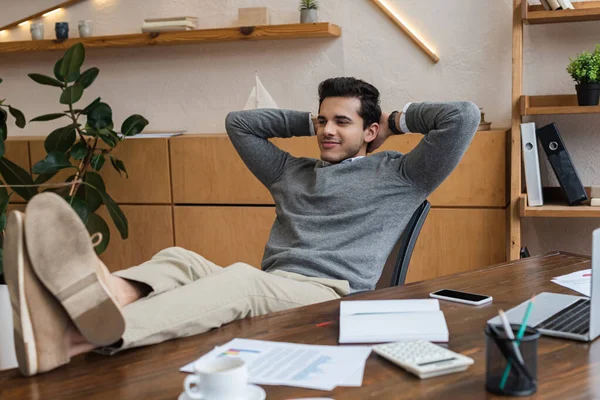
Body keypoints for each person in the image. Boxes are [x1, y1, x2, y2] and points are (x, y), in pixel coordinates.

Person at [4, 77, 480, 376]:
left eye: (342, 122)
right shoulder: (291, 171)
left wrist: (393, 119)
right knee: (180, 258)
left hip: (331, 293)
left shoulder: (400, 175)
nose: (327, 131)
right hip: (275, 284)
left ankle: (69, 340)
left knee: (241, 281)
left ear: (370, 131)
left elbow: (462, 116)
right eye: (321, 121)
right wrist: (308, 118)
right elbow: (240, 124)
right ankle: (103, 294)